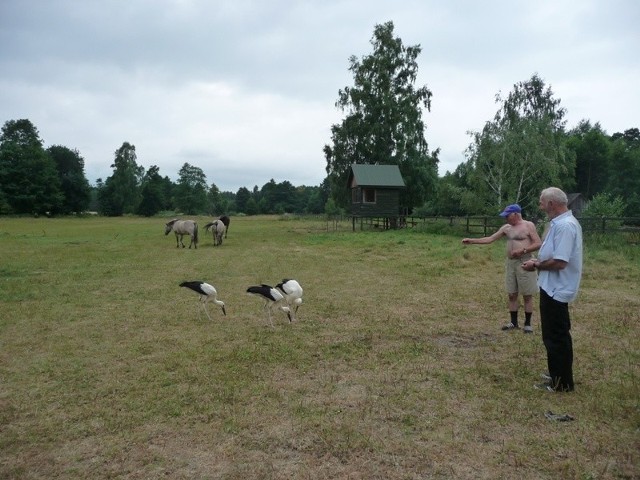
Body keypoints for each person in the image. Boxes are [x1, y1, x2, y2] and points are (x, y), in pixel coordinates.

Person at [522, 187, 582, 392]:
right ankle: (557, 372)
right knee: (553, 334)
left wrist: (536, 265)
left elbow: (560, 261)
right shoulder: (560, 224)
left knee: (556, 336)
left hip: (557, 288)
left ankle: (562, 383)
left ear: (551, 204)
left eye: (541, 201)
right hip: (552, 287)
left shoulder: (565, 226)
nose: (540, 205)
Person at [462, 204, 542, 332]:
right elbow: (490, 239)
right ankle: (513, 323)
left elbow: (538, 243)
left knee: (527, 295)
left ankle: (528, 324)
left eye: (507, 216)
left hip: (525, 262)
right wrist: (472, 241)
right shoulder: (507, 228)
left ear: (516, 214)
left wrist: (523, 250)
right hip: (511, 263)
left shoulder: (528, 225)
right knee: (512, 294)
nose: (506, 219)